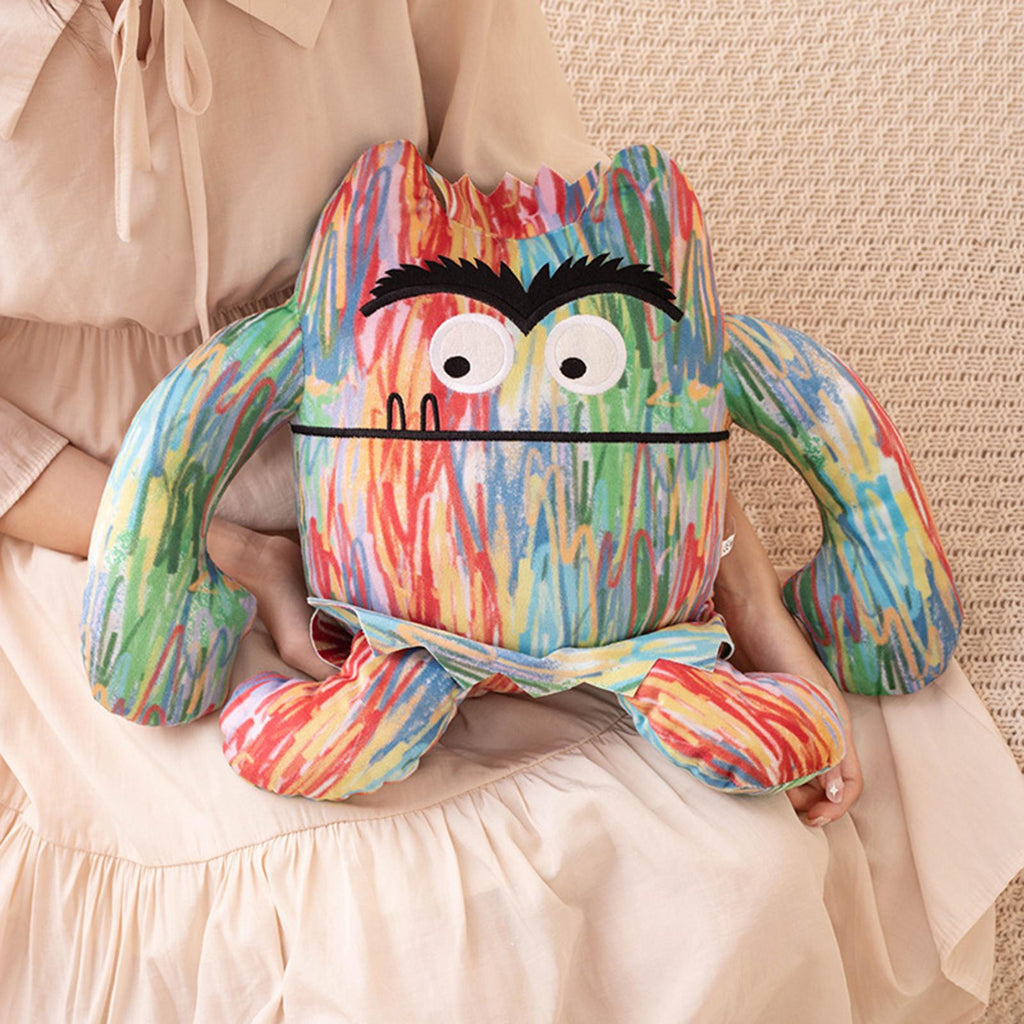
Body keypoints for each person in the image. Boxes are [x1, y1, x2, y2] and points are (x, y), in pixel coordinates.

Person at [0, 1, 1020, 1020]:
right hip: (107, 518)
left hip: (481, 465)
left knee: (729, 875)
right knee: (378, 937)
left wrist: (750, 608)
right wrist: (230, 551)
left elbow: (622, 326)